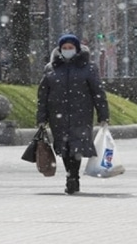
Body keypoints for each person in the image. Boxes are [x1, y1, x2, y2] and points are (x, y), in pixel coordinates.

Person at [36, 33, 110, 195]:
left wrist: (103, 115)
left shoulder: (89, 68)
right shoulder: (51, 68)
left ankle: (73, 177)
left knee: (76, 147)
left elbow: (98, 92)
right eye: (64, 48)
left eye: (70, 48)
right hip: (58, 115)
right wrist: (42, 118)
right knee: (63, 147)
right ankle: (70, 175)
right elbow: (43, 96)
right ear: (59, 49)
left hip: (81, 115)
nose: (67, 50)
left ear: (76, 49)